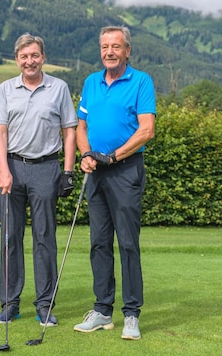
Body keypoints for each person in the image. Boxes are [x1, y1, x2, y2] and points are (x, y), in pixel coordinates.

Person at [73, 25, 156, 340]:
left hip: (125, 171)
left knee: (127, 243)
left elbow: (146, 130)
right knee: (98, 242)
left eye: (116, 46)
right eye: (105, 46)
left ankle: (131, 313)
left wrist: (114, 156)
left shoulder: (141, 81)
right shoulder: (91, 82)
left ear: (127, 51)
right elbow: (81, 125)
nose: (110, 52)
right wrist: (86, 154)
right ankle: (102, 310)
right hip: (97, 171)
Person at [0, 33, 77, 327]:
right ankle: (10, 304)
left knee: (44, 238)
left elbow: (69, 131)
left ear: (43, 57)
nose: (30, 61)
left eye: (35, 55)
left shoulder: (59, 88)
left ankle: (44, 304)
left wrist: (68, 171)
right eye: (24, 56)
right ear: (17, 60)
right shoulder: (5, 89)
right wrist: (3, 170)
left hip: (46, 169)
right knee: (10, 238)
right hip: (12, 168)